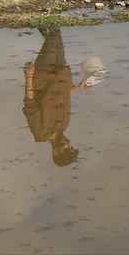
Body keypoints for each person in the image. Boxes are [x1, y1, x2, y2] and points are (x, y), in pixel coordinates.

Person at [23, 28, 86, 166]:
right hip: (61, 72)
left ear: (55, 152)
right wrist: (78, 88)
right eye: (71, 147)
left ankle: (37, 11)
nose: (69, 144)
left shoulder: (40, 133)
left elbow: (30, 106)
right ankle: (40, 13)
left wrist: (29, 77)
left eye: (66, 148)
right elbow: (62, 98)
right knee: (54, 34)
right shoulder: (64, 125)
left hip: (44, 73)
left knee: (53, 37)